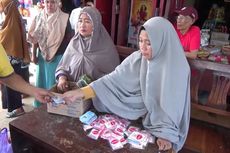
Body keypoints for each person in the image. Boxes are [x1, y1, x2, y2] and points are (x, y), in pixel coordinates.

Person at [62, 17, 191, 152]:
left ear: (162, 42)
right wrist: (79, 93)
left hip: (160, 125)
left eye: (149, 42)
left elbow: (172, 108)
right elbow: (111, 81)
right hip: (135, 117)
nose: (142, 47)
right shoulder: (138, 59)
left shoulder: (177, 68)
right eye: (140, 41)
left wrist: (165, 135)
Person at [55, 6, 120, 92]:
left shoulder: (106, 47)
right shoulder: (74, 43)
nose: (82, 25)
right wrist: (62, 79)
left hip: (96, 96)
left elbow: (112, 77)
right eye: (80, 21)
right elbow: (63, 67)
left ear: (95, 24)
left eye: (87, 21)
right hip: (71, 93)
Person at [28, 0, 74, 107]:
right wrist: (33, 54)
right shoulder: (39, 17)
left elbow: (69, 41)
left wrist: (68, 59)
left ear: (57, 3)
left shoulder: (64, 18)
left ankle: (53, 106)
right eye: (47, 2)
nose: (49, 5)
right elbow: (35, 38)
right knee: (42, 81)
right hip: (42, 57)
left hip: (58, 57)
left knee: (54, 83)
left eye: (52, 2)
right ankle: (40, 105)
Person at [0, 0, 31, 117]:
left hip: (12, 59)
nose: (2, 9)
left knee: (12, 84)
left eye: (3, 6)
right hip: (12, 59)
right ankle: (15, 107)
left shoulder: (12, 21)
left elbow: (5, 40)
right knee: (10, 85)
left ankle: (18, 109)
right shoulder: (11, 18)